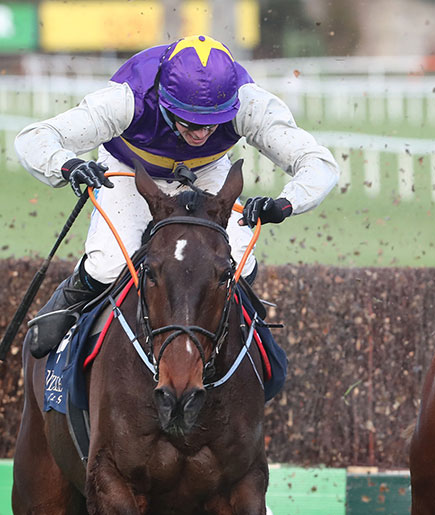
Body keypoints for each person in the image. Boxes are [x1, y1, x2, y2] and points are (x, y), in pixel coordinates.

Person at [16, 34, 339, 358]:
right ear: (164, 101)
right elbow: (36, 137)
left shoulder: (249, 102)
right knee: (109, 265)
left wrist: (285, 203)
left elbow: (317, 162)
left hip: (206, 171)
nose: (201, 134)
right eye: (190, 123)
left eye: (212, 124)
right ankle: (68, 303)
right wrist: (68, 165)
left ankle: (249, 353)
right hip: (131, 168)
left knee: (240, 264)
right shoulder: (128, 98)